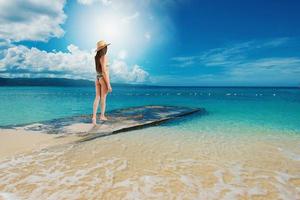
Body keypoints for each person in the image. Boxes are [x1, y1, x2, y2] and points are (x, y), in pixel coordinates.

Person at [92, 40, 112, 125]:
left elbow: (99, 70)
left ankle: (93, 117)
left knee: (97, 97)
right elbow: (104, 71)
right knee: (103, 98)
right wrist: (108, 84)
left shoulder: (96, 57)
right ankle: (102, 116)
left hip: (97, 78)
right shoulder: (104, 57)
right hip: (103, 79)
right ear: (105, 48)